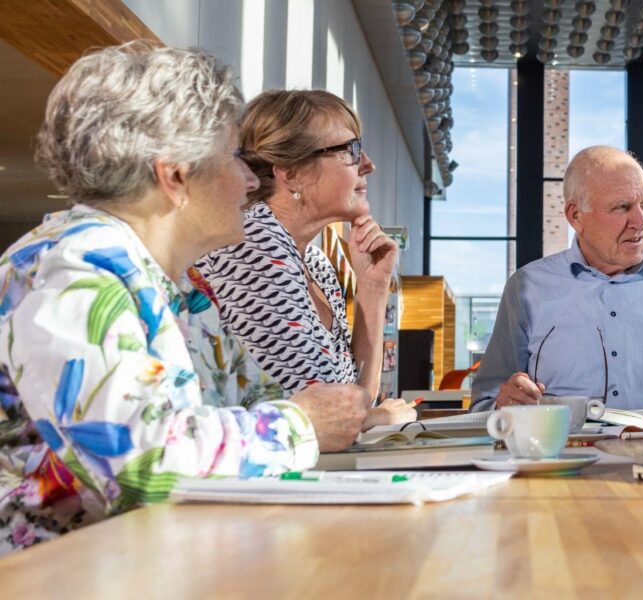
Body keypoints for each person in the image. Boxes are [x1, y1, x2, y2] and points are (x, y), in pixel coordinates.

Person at [0, 44, 369, 553]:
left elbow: (256, 400)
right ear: (174, 176)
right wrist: (301, 424)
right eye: (235, 157)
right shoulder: (71, 268)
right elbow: (140, 468)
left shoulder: (176, 289)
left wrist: (309, 415)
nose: (248, 179)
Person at [470, 146, 643, 411]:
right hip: (565, 456)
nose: (641, 222)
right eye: (622, 207)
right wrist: (505, 404)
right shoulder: (527, 288)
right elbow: (484, 405)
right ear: (576, 216)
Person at [195, 90, 405, 417]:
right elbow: (321, 416)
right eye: (351, 150)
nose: (368, 164)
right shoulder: (253, 242)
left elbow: (355, 398)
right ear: (291, 172)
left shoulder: (316, 266)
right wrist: (377, 418)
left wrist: (373, 289)